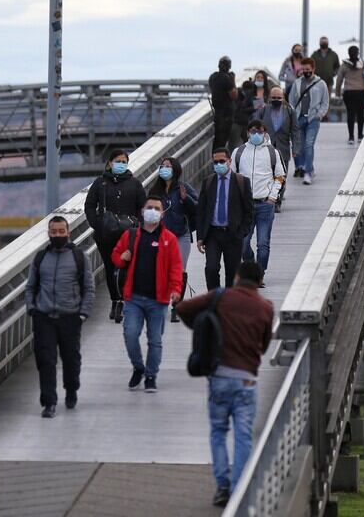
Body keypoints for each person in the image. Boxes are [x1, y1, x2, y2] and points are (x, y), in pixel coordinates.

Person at [175, 261, 273, 508]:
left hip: (219, 377)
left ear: (237, 276)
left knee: (218, 431)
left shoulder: (221, 297)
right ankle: (240, 489)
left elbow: (184, 308)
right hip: (247, 380)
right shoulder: (265, 307)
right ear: (259, 281)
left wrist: (203, 327)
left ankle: (223, 486)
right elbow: (263, 345)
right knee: (243, 436)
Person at [111, 195, 183, 393]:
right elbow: (115, 256)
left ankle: (151, 375)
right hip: (133, 297)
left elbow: (175, 267)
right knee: (130, 334)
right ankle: (138, 367)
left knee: (155, 340)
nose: (152, 211)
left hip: (158, 299)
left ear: (162, 213)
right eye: (149, 207)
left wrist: (176, 289)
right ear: (142, 211)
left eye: (156, 208)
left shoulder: (169, 240)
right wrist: (121, 258)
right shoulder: (131, 236)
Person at [25, 216, 95, 418]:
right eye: (53, 232)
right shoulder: (40, 258)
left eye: (60, 231)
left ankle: (71, 390)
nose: (57, 235)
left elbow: (88, 288)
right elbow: (30, 287)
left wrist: (83, 313)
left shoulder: (79, 257)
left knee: (71, 359)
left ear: (68, 233)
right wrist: (32, 309)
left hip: (70, 316)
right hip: (44, 316)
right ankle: (49, 402)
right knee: (46, 360)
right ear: (48, 233)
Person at [84, 149, 146, 322]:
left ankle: (127, 300)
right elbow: (89, 205)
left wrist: (138, 226)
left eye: (124, 161)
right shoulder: (100, 183)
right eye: (118, 161)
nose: (121, 164)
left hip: (129, 234)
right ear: (110, 163)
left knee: (127, 267)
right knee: (110, 267)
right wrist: (96, 223)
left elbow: (143, 206)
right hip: (106, 234)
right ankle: (116, 301)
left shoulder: (134, 184)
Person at [231, 120, 286, 284]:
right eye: (253, 131)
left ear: (264, 133)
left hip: (265, 204)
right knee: (243, 242)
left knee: (263, 244)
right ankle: (251, 265)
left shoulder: (272, 152)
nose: (256, 134)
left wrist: (272, 197)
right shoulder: (238, 152)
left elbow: (280, 176)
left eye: (259, 131)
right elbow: (232, 177)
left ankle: (259, 275)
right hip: (245, 205)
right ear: (248, 133)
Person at [196, 148, 254, 291]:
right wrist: (200, 237)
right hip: (213, 234)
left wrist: (242, 232)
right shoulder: (208, 182)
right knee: (211, 268)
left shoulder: (242, 182)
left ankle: (229, 302)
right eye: (215, 162)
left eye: (222, 161)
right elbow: (201, 211)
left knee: (232, 272)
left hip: (233, 234)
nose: (218, 164)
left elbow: (249, 210)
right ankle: (213, 298)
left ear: (229, 161)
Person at [148, 157, 198, 322]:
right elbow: (146, 211)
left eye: (168, 166)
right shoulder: (155, 190)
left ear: (175, 169)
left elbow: (197, 208)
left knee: (179, 270)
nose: (164, 169)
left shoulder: (183, 188)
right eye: (162, 166)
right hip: (160, 235)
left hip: (181, 234)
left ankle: (177, 305)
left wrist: (185, 199)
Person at [288, 58, 330, 185]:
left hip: (313, 119)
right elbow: (291, 100)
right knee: (300, 146)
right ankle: (305, 167)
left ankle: (308, 172)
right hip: (299, 118)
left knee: (309, 144)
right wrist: (292, 114)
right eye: (303, 69)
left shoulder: (320, 83)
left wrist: (319, 114)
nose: (305, 71)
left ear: (313, 69)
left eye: (308, 69)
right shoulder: (297, 83)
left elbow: (325, 101)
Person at [257, 86, 298, 209]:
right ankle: (268, 198)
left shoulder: (290, 111)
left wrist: (295, 148)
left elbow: (295, 131)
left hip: (283, 148)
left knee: (281, 176)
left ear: (283, 98)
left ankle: (278, 201)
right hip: (266, 149)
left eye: (278, 98)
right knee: (267, 175)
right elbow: (255, 128)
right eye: (273, 98)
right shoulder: (263, 110)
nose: (276, 100)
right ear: (269, 98)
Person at [335, 45, 364, 145]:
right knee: (360, 113)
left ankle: (351, 137)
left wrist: (338, 93)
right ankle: (360, 135)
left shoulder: (344, 65)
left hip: (349, 93)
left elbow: (339, 80)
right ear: (358, 53)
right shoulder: (363, 63)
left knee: (350, 114)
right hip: (362, 92)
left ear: (348, 53)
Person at [209, 56, 238, 151]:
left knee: (217, 141)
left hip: (217, 113)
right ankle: (220, 160)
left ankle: (215, 161)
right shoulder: (227, 79)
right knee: (222, 141)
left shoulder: (213, 77)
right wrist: (233, 81)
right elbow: (234, 95)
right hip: (226, 115)